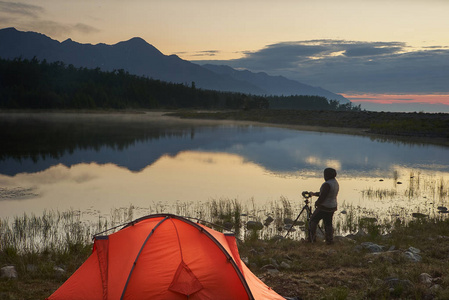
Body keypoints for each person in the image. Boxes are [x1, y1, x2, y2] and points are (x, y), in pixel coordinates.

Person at [308, 168, 339, 244]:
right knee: (328, 223)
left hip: (324, 207)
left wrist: (317, 203)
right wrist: (314, 194)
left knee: (313, 221)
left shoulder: (327, 184)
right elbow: (325, 193)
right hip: (332, 206)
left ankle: (311, 239)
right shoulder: (335, 183)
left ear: (327, 175)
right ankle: (329, 240)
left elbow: (323, 196)